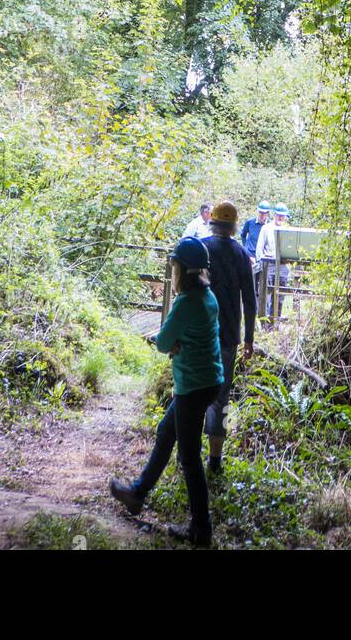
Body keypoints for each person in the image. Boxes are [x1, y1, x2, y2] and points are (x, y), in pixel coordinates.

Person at [110, 237, 223, 546]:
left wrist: (173, 342)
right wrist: (178, 341)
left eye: (174, 265)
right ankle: (137, 494)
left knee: (189, 458)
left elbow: (161, 342)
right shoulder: (208, 296)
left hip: (193, 385)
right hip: (208, 381)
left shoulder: (187, 302)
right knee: (165, 432)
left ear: (181, 270)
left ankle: (201, 528)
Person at [201, 202, 256, 473]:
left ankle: (185, 456)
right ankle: (215, 461)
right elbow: (250, 300)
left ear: (212, 221)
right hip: (228, 337)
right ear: (235, 225)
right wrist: (249, 339)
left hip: (199, 334)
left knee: (190, 393)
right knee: (220, 398)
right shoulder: (241, 254)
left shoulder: (201, 248)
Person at [255, 203, 291, 320]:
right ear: (274, 215)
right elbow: (259, 248)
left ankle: (276, 318)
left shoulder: (288, 229)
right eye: (278, 215)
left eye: (283, 216)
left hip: (283, 265)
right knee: (266, 293)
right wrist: (261, 264)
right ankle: (264, 319)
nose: (280, 218)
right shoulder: (266, 228)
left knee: (280, 293)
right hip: (269, 264)